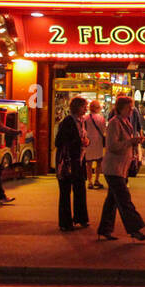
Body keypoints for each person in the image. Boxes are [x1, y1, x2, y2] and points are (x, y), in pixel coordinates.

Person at [97, 96, 145, 241]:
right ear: (120, 108)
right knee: (125, 200)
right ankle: (135, 229)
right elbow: (112, 146)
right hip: (114, 168)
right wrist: (130, 142)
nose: (131, 110)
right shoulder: (114, 124)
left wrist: (134, 142)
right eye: (129, 108)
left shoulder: (125, 122)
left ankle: (105, 229)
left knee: (112, 200)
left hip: (121, 167)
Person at [54, 96, 90, 230]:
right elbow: (58, 142)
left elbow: (84, 138)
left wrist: (87, 141)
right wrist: (78, 141)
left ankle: (81, 218)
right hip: (67, 161)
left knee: (80, 189)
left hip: (78, 161)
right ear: (76, 107)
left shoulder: (82, 121)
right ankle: (65, 222)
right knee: (65, 192)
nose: (86, 108)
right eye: (84, 106)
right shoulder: (67, 121)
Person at [82, 98, 108, 189]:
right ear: (97, 108)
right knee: (98, 162)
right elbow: (104, 130)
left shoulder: (85, 118)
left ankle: (89, 181)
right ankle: (97, 179)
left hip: (88, 142)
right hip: (98, 142)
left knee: (88, 163)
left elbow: (83, 130)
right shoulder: (101, 118)